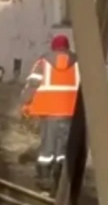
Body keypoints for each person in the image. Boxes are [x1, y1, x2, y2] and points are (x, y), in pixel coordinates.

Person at [20, 33, 80, 190]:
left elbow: (33, 84)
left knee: (48, 145)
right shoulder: (79, 63)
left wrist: (25, 102)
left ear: (53, 47)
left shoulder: (43, 62)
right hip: (70, 112)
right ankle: (61, 177)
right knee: (63, 146)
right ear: (67, 47)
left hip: (48, 111)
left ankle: (44, 178)